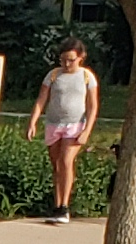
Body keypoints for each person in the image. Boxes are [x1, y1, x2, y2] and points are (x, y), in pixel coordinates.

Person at [27, 39, 100, 223]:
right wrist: (33, 122)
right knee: (56, 165)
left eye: (71, 60)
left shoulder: (87, 76)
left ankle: (64, 207)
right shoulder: (53, 75)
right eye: (63, 60)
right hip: (54, 124)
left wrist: (87, 131)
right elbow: (41, 100)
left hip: (75, 124)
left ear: (81, 57)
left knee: (66, 161)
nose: (67, 64)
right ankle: (57, 204)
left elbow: (92, 106)